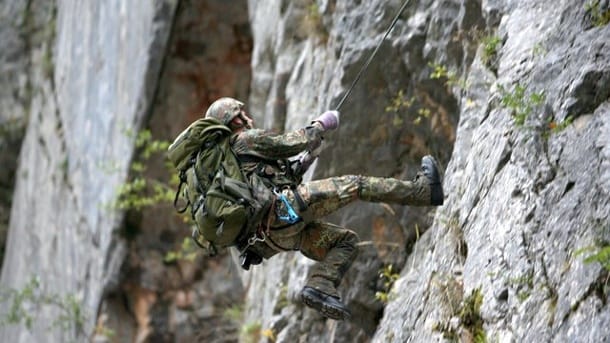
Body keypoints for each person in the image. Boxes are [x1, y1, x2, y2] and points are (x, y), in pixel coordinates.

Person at [201, 97, 443, 320]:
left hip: (273, 238)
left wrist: (303, 164)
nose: (248, 116)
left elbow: (269, 184)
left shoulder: (229, 167)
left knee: (345, 242)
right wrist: (320, 124)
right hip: (284, 211)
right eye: (242, 113)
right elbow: (292, 141)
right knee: (355, 185)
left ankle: (321, 284)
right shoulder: (244, 139)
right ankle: (422, 192)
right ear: (235, 119)